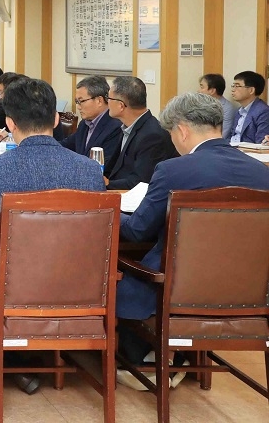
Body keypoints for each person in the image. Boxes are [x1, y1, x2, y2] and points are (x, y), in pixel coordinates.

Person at [115, 92, 269, 390]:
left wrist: (113, 214)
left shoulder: (174, 170)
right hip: (247, 294)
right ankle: (179, 357)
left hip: (174, 291)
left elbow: (137, 231)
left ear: (182, 129)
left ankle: (152, 359)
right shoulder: (261, 175)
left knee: (116, 279)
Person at [0, 78, 105, 395]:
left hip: (12, 292)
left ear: (9, 122)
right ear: (56, 120)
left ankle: (7, 358)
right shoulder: (90, 171)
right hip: (79, 292)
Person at [104, 76, 177, 190]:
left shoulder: (152, 136)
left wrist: (108, 184)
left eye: (109, 98)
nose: (107, 102)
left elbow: (141, 182)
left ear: (121, 105)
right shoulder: (127, 126)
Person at [60, 75, 123, 173]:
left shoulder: (115, 127)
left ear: (99, 101)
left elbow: (105, 166)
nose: (78, 107)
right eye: (77, 101)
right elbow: (66, 145)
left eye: (81, 101)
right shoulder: (84, 124)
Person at [228, 70, 269, 145]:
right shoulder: (239, 110)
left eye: (237, 86)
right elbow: (232, 136)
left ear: (251, 90)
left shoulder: (263, 111)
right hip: (231, 150)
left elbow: (261, 144)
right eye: (233, 86)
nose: (233, 89)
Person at [197, 73, 237, 139]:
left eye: (202, 87)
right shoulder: (201, 105)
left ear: (212, 91)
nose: (198, 91)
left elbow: (224, 133)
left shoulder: (227, 108)